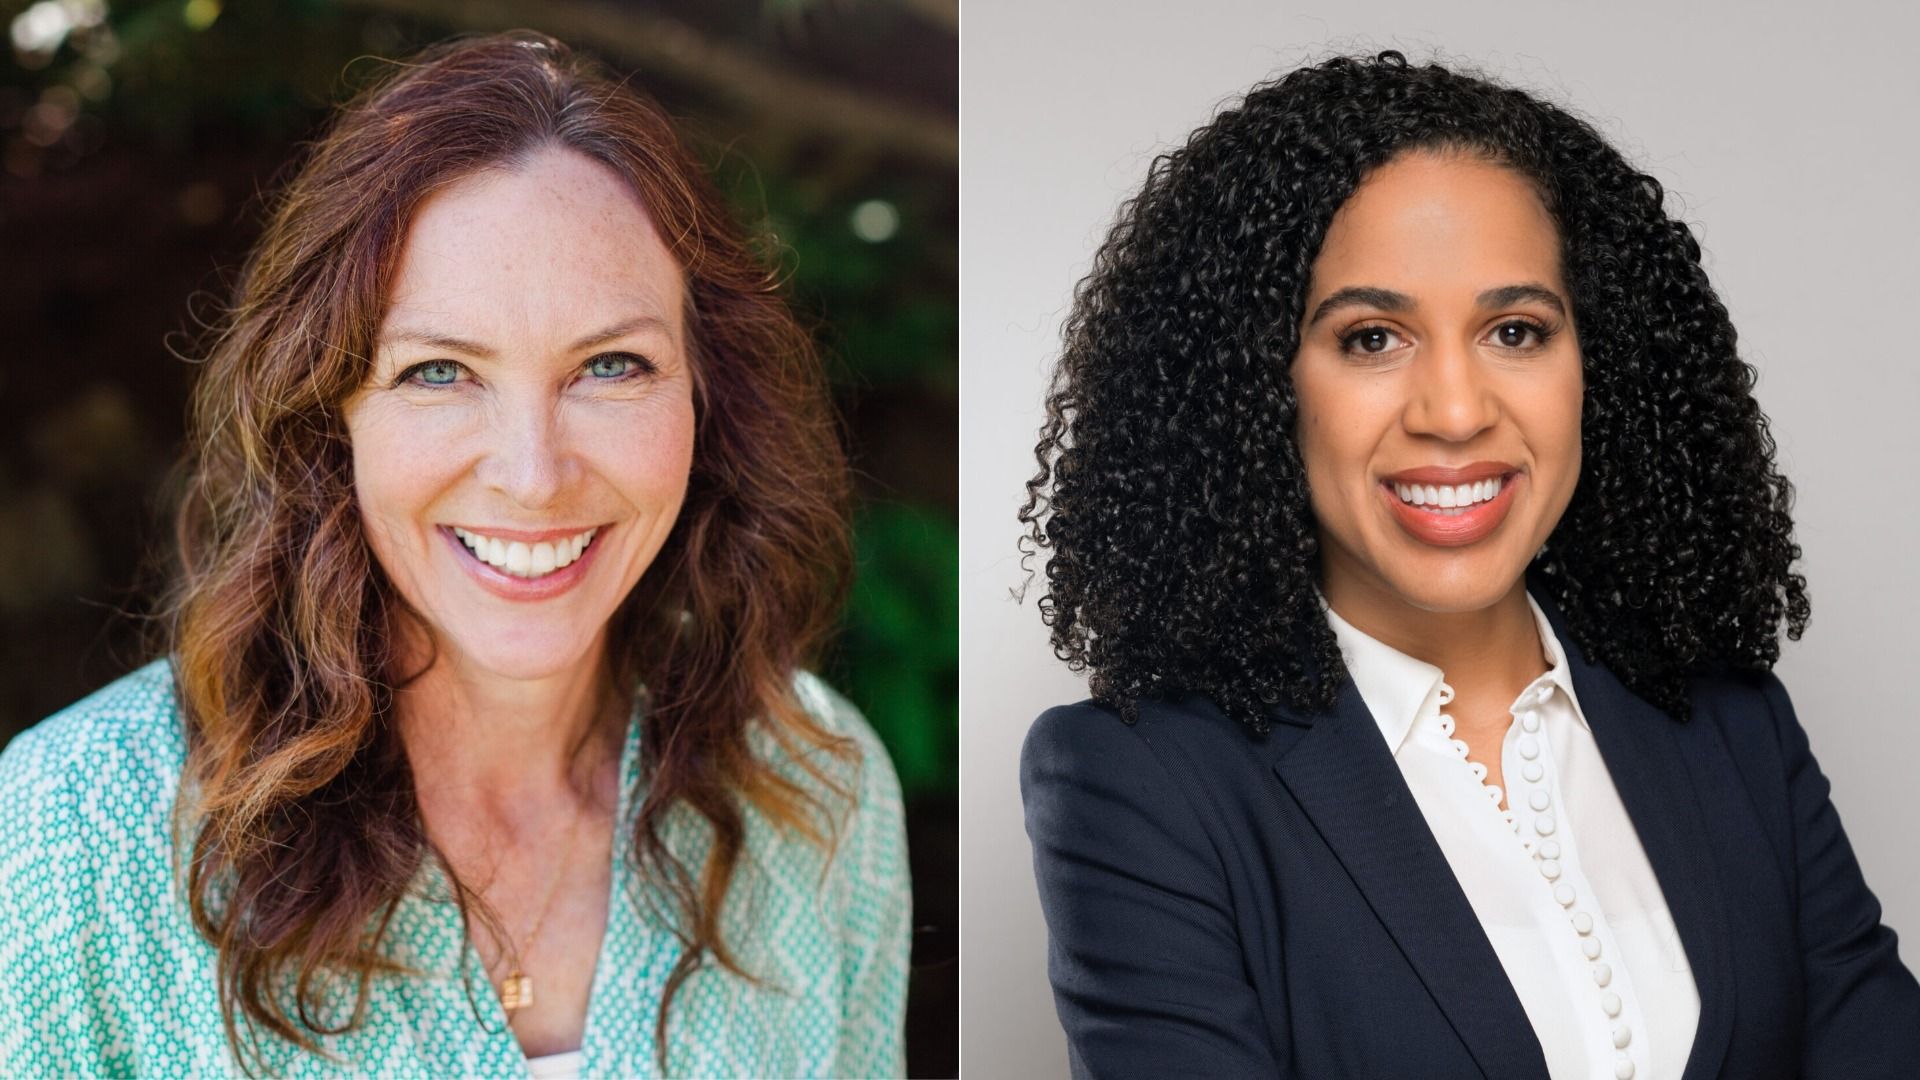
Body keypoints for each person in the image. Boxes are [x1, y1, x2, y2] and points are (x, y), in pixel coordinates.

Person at [0, 32, 909, 1079]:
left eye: (611, 365)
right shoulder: (77, 828)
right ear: (329, 413)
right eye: (439, 372)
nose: (532, 473)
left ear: (711, 398)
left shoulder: (817, 790)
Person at [1018, 50, 1920, 1079]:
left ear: (1600, 365)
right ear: (1259, 384)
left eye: (1515, 330)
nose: (1454, 411)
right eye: (1371, 339)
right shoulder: (1140, 785)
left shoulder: (1732, 727)